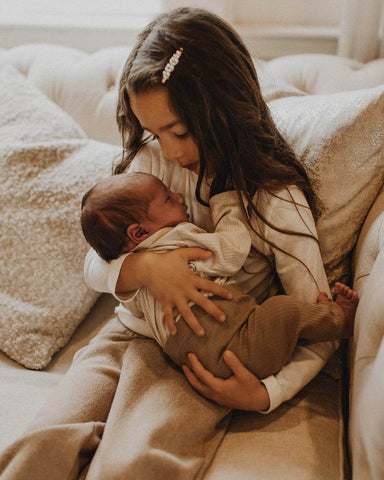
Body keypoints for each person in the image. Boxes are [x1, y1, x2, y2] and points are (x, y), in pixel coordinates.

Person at [0, 7, 350, 480]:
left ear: (224, 111)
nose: (169, 151)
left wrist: (270, 392)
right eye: (155, 133)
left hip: (201, 352)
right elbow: (95, 262)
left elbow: (315, 315)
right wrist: (145, 270)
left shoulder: (273, 198)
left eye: (179, 132)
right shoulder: (153, 164)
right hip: (126, 334)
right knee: (38, 448)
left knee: (135, 464)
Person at [81, 171, 357, 380]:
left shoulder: (125, 265)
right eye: (167, 198)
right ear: (139, 232)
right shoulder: (177, 238)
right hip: (231, 341)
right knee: (282, 310)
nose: (178, 196)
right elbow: (231, 252)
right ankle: (338, 321)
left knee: (276, 322)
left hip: (188, 355)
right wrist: (226, 204)